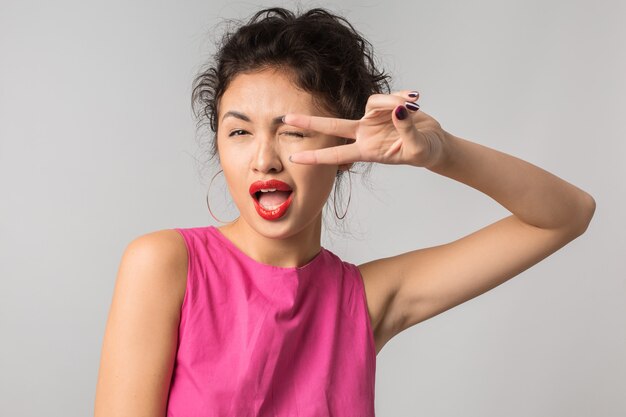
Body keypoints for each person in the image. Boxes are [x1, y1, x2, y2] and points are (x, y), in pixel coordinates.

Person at [93, 6, 596, 417]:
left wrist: (443, 152)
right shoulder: (164, 264)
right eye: (240, 131)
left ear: (348, 149)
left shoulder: (365, 300)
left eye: (293, 130)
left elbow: (567, 214)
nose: (264, 158)